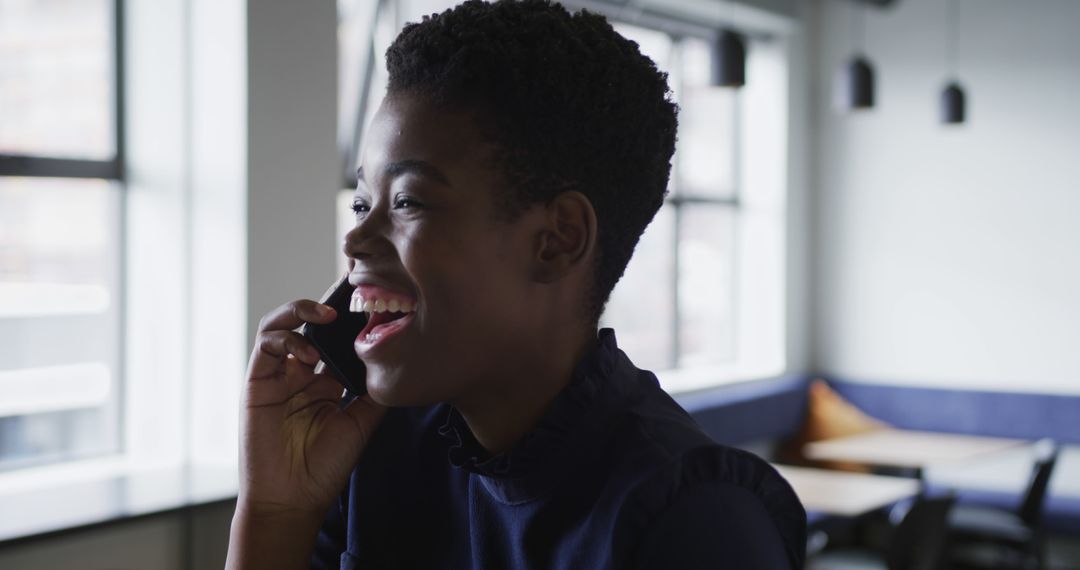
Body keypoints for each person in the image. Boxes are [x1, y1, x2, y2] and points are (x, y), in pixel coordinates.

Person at [225, 0, 806, 568]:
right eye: (361, 203)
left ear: (557, 239)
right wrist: (276, 512)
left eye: (406, 201)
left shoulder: (694, 521)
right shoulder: (378, 448)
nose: (354, 241)